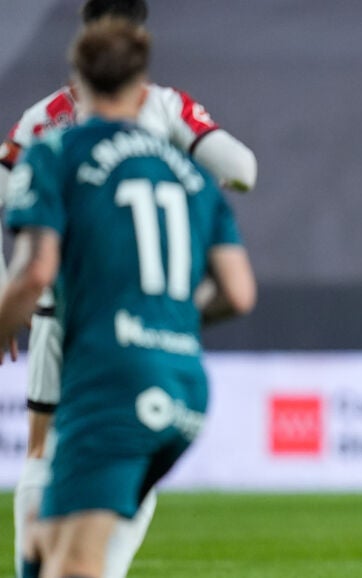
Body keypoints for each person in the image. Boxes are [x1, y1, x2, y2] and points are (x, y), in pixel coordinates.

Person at [0, 2, 257, 577]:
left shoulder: (50, 135)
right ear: (141, 68)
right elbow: (242, 182)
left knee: (57, 503)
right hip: (179, 370)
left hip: (90, 342)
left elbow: (35, 269)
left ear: (79, 65)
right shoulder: (184, 159)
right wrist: (166, 315)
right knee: (87, 517)